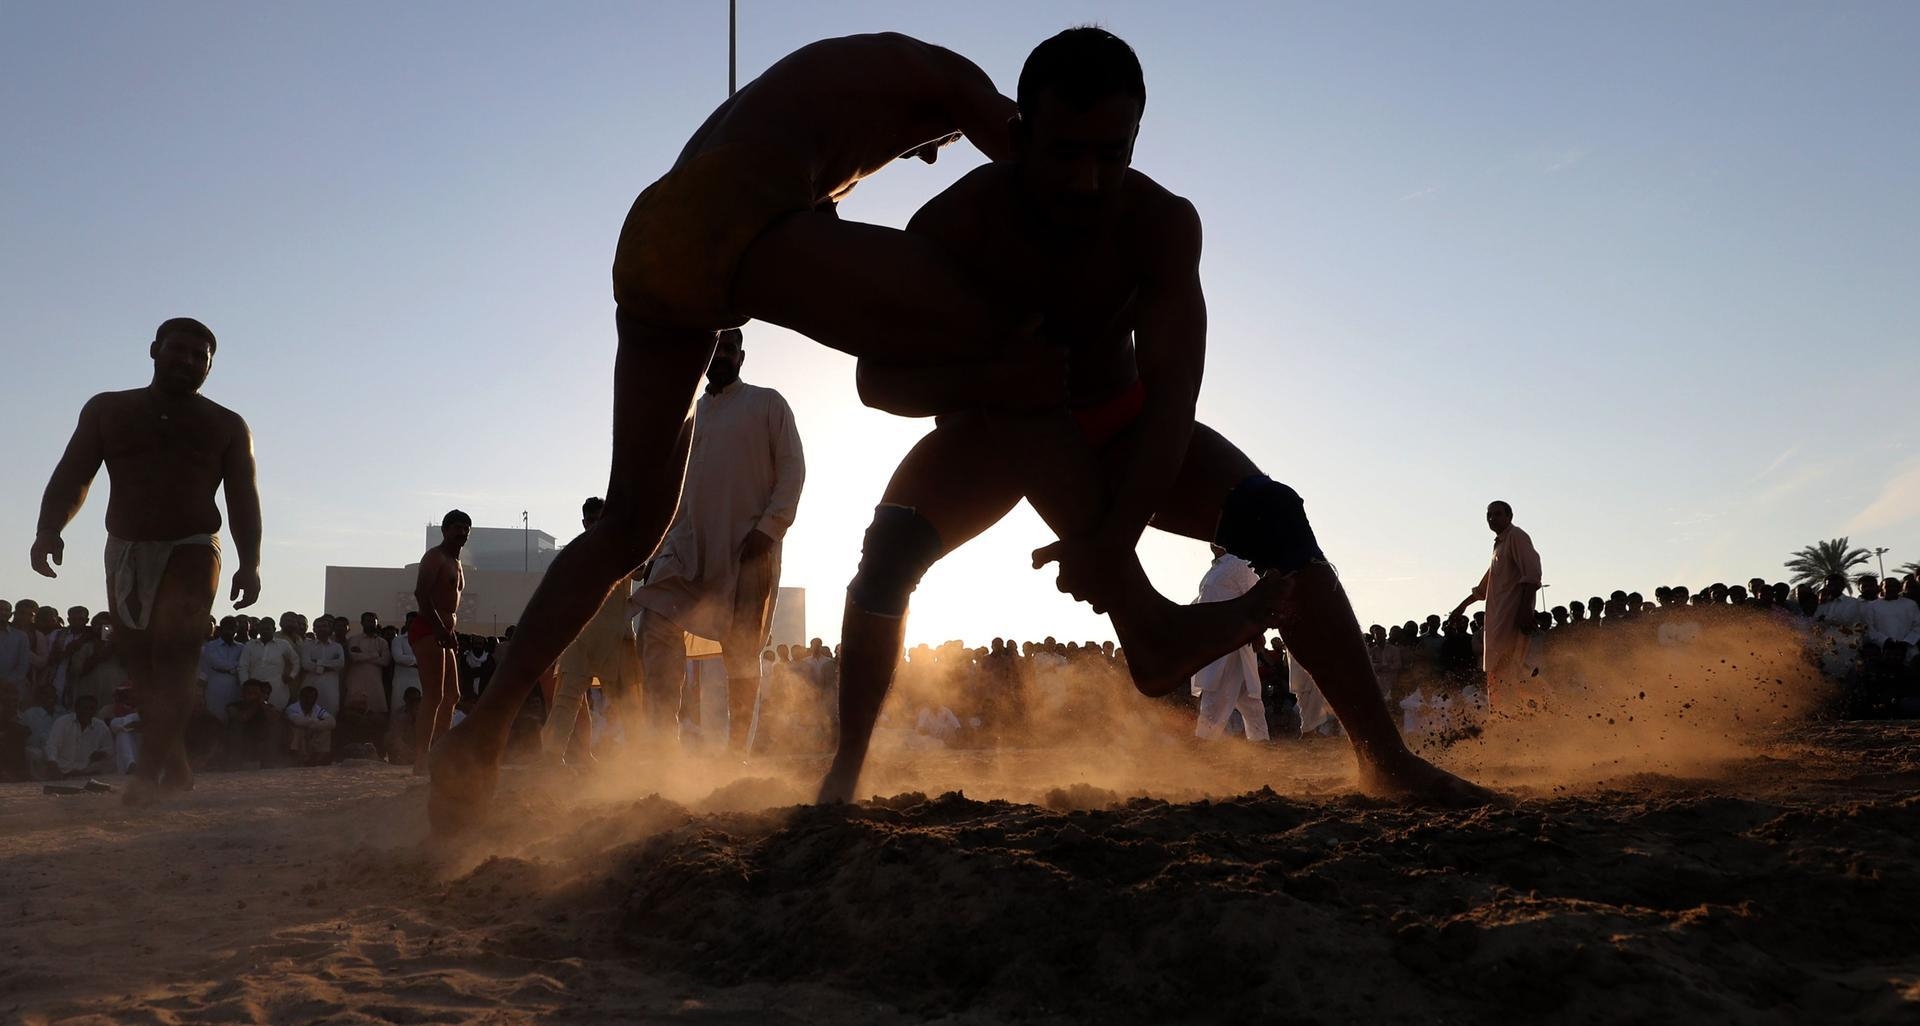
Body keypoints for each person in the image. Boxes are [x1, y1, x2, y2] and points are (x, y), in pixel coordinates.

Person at [819, 28, 1489, 805]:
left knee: (1276, 519)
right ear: (1016, 135)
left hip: (1122, 423)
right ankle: (845, 769)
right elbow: (879, 383)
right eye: (1067, 153)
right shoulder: (953, 229)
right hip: (989, 435)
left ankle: (1385, 759)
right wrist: (991, 375)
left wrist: (1112, 543)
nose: (1088, 180)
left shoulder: (1161, 224)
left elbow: (1174, 399)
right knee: (888, 553)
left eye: (1113, 154)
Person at [427, 32, 1043, 828]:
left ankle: (480, 732)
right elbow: (1035, 177)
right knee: (985, 318)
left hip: (656, 233)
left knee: (628, 524)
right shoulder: (946, 77)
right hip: (730, 209)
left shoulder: (826, 103)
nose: (932, 157)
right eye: (943, 143)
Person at [31, 317, 262, 803]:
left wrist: (249, 562)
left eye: (201, 358)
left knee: (176, 654)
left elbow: (243, 498)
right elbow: (75, 473)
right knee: (142, 663)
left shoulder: (225, 424)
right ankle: (175, 765)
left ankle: (149, 771)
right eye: (179, 351)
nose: (189, 363)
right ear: (154, 350)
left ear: (210, 368)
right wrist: (49, 529)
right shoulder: (109, 410)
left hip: (194, 545)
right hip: (127, 547)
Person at [630, 328, 806, 752]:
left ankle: (735, 755)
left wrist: (769, 528)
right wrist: (654, 548)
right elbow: (673, 491)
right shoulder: (690, 419)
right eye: (715, 349)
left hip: (749, 546)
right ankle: (662, 747)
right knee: (654, 621)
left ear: (741, 357)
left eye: (729, 349)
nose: (721, 356)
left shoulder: (767, 403)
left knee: (741, 652)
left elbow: (792, 468)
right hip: (687, 547)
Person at [542, 498, 640, 764]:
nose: (597, 524)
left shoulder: (623, 550)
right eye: (592, 520)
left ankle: (641, 761)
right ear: (584, 523)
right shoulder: (572, 554)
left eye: (601, 519)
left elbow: (642, 570)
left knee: (628, 704)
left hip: (614, 637)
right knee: (566, 699)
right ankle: (552, 759)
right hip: (580, 638)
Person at [1449, 501, 1543, 709]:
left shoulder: (1516, 537)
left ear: (1509, 516)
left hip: (1511, 620)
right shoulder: (1499, 546)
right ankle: (1502, 721)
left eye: (1497, 514)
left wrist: (1526, 612)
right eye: (1489, 515)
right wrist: (1461, 606)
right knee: (1497, 672)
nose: (1492, 519)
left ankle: (1543, 712)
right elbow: (1484, 588)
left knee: (1511, 670)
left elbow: (1532, 575)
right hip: (1496, 623)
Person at [1188, 547, 1269, 743]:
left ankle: (1204, 741)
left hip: (1231, 643)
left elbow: (1257, 597)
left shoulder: (1239, 564)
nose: (1214, 542)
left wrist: (1258, 631)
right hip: (1216, 642)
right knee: (1248, 699)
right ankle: (1261, 741)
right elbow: (1204, 602)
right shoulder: (1214, 571)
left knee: (1217, 693)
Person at [411, 511, 468, 775]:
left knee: (452, 695)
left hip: (444, 630)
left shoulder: (456, 562)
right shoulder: (435, 557)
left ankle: (440, 752)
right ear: (445, 530)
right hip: (428, 628)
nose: (462, 532)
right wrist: (438, 628)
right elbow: (422, 594)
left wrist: (449, 631)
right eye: (457, 527)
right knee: (433, 694)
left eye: (467, 528)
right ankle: (421, 757)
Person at [43, 694, 114, 779]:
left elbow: (109, 748)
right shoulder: (63, 722)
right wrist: (53, 763)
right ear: (76, 709)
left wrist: (102, 752)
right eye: (85, 708)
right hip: (63, 768)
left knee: (113, 760)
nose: (87, 711)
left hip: (88, 769)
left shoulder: (101, 725)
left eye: (91, 709)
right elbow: (52, 745)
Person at [239, 615, 298, 708]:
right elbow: (243, 666)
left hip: (277, 690)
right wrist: (245, 684)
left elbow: (296, 661)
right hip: (253, 690)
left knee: (274, 718)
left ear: (274, 629)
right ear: (258, 629)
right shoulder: (250, 645)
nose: (265, 631)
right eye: (262, 628)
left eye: (268, 628)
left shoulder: (283, 645)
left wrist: (291, 676)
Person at [344, 612, 392, 721]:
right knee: (354, 713)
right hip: (356, 681)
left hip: (375, 682)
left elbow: (385, 661)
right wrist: (375, 655)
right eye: (368, 621)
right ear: (362, 623)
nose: (370, 624)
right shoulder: (354, 639)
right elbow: (354, 657)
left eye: (373, 622)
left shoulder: (382, 642)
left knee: (376, 714)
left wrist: (362, 654)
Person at [220, 679, 277, 769]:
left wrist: (262, 704)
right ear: (242, 693)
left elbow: (273, 719)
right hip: (239, 749)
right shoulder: (232, 706)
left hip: (260, 749)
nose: (252, 696)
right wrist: (257, 703)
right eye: (249, 692)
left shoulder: (266, 707)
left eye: (255, 693)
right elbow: (242, 717)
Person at [197, 616, 246, 722]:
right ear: (221, 628)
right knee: (213, 718)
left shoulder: (242, 648)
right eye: (227, 628)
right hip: (214, 686)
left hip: (235, 689)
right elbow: (214, 664)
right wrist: (234, 668)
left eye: (233, 628)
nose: (230, 631)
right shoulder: (210, 646)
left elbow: (243, 666)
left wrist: (232, 668)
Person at [299, 615, 346, 715]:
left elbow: (340, 664)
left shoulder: (337, 647)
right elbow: (306, 664)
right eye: (318, 626)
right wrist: (330, 665)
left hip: (330, 687)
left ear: (330, 628)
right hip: (310, 685)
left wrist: (317, 662)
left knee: (329, 715)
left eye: (324, 626)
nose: (321, 629)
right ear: (314, 629)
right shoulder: (307, 645)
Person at [284, 684, 336, 766]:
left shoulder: (316, 708)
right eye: (306, 697)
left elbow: (332, 722)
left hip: (310, 734)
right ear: (301, 697)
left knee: (326, 731)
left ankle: (316, 760)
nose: (309, 700)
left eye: (312, 698)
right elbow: (297, 721)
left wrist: (313, 725)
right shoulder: (292, 708)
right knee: (298, 729)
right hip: (293, 737)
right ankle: (296, 761)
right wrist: (316, 723)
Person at [0, 600, 32, 703]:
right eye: (0, 609)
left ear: (10, 614)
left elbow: (23, 665)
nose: (3, 612)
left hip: (11, 689)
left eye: (6, 610)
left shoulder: (21, 636)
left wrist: (7, 682)